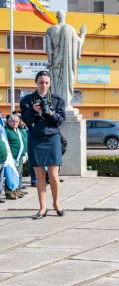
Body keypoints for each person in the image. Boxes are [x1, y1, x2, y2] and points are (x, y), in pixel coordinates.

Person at [20, 70, 66, 219]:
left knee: (53, 175)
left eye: (46, 82)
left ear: (50, 83)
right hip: (35, 139)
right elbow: (26, 121)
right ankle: (42, 208)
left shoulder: (57, 99)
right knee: (39, 175)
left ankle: (57, 203)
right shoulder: (27, 100)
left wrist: (51, 113)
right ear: (36, 83)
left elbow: (61, 120)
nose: (44, 85)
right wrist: (34, 111)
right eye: (41, 82)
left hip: (52, 139)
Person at [4, 114, 28, 200]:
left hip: (20, 157)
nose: (14, 123)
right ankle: (9, 192)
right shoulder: (6, 130)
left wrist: (25, 154)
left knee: (18, 174)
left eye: (16, 121)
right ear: (8, 122)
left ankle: (16, 190)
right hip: (11, 158)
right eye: (12, 121)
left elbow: (23, 141)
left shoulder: (19, 130)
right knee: (10, 175)